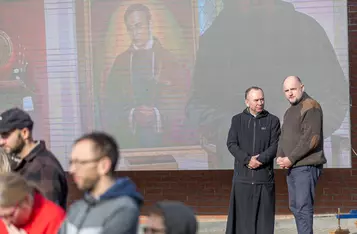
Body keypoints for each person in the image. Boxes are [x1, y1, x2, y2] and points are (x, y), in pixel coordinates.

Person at [185, 0, 348, 169]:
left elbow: (336, 98)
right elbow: (197, 104)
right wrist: (228, 128)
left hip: (299, 165)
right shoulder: (215, 38)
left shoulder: (307, 31)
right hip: (238, 167)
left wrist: (302, 130)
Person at [101, 3, 189, 148]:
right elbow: (110, 103)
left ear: (149, 23)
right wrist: (132, 114)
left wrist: (156, 114)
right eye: (130, 28)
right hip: (130, 140)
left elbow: (182, 101)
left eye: (139, 26)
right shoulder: (120, 62)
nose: (135, 33)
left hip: (165, 141)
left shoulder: (168, 59)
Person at [59, 131, 143, 234]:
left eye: (80, 162)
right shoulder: (77, 208)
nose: (72, 170)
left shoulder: (123, 209)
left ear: (104, 166)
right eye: (71, 162)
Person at [225, 87, 280, 234]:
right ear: (247, 102)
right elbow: (231, 143)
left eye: (262, 99)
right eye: (256, 100)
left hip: (264, 180)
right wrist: (247, 160)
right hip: (242, 180)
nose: (260, 103)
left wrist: (260, 160)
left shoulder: (272, 121)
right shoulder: (237, 120)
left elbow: (276, 146)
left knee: (264, 225)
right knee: (242, 225)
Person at [277, 76, 326, 234]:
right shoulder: (290, 111)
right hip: (293, 167)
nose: (290, 93)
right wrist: (280, 155)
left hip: (305, 166)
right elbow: (284, 136)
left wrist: (290, 158)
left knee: (303, 207)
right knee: (296, 206)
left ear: (302, 87)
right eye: (286, 90)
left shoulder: (310, 106)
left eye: (293, 89)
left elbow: (312, 139)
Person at [0, 107, 68, 210]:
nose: (1, 142)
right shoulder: (24, 164)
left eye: (5, 135)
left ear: (25, 133)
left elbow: (48, 215)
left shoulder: (44, 168)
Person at [0, 172, 65, 234]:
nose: (6, 223)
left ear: (26, 200)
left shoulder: (54, 218)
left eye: (11, 215)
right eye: (1, 216)